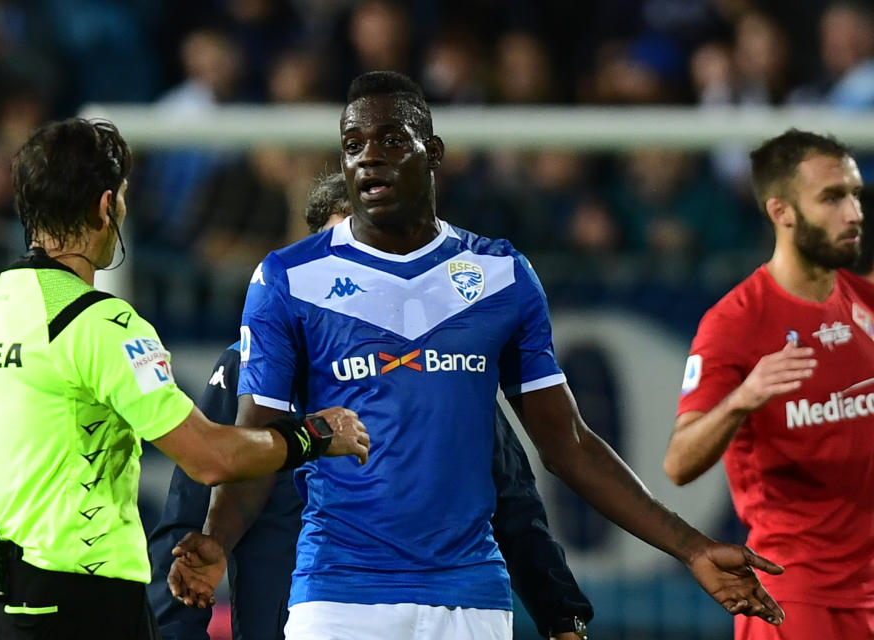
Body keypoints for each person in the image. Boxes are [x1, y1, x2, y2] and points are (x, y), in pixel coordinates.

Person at [168, 71, 785, 640]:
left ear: (432, 155)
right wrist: (218, 540)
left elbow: (567, 441)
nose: (369, 156)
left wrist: (691, 547)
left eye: (390, 139)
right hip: (338, 597)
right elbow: (256, 444)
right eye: (353, 143)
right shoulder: (289, 279)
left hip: (472, 600)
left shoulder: (499, 275)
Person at [0, 117, 369, 640]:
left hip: (5, 606)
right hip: (90, 602)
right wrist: (313, 435)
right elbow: (209, 457)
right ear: (106, 207)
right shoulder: (102, 324)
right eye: (121, 197)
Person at [147, 171, 594, 640]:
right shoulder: (245, 371)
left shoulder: (442, 374)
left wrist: (563, 615)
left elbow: (513, 504)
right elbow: (185, 525)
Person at [665, 128, 874, 639]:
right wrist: (742, 400)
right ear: (781, 211)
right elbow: (678, 462)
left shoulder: (863, 299)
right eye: (832, 197)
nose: (854, 213)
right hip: (798, 600)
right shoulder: (735, 323)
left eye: (854, 194)